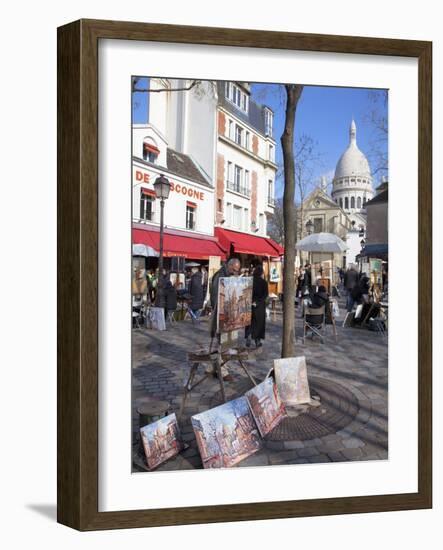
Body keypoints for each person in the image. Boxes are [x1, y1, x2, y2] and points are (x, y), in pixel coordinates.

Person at [209, 258, 241, 382]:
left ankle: (214, 368)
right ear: (228, 266)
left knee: (225, 343)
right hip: (220, 314)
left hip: (228, 313)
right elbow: (218, 299)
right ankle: (223, 371)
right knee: (223, 343)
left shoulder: (228, 275)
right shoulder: (219, 277)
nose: (235, 272)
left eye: (237, 271)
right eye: (233, 270)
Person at [245, 265, 269, 349]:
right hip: (259, 305)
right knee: (258, 323)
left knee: (249, 321)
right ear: (261, 273)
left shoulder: (250, 281)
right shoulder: (264, 282)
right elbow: (265, 295)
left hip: (249, 303)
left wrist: (250, 301)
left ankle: (248, 336)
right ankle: (257, 341)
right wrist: (257, 302)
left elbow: (246, 292)